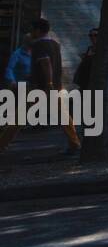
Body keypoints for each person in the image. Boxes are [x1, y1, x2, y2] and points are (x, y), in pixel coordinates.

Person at [0, 18, 81, 156]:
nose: (30, 32)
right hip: (56, 87)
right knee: (64, 117)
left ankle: (1, 145)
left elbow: (46, 63)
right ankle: (75, 144)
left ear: (38, 30)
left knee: (19, 118)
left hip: (40, 88)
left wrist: (48, 84)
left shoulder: (39, 45)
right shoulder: (55, 44)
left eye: (32, 29)